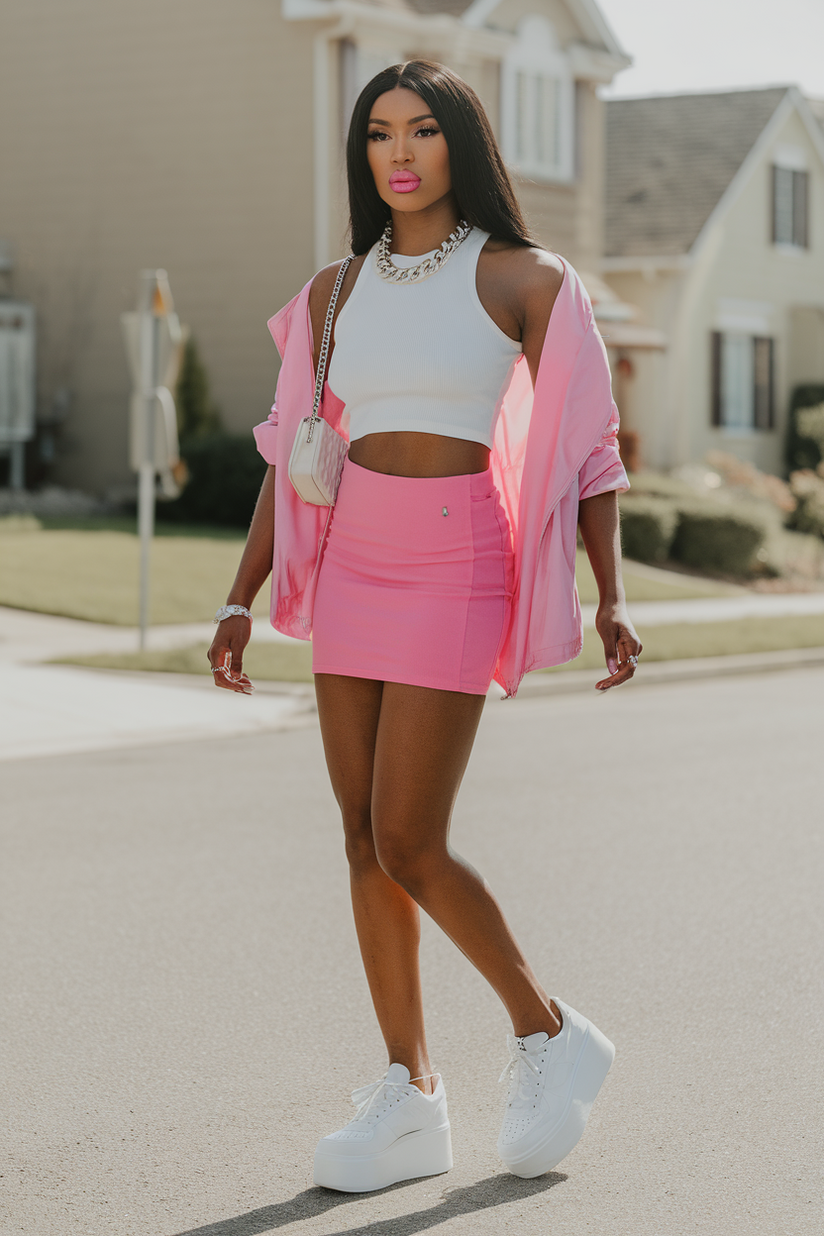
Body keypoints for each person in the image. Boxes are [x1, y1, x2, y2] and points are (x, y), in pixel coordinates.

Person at [208, 60, 642, 1193]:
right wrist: (238, 595)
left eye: (421, 132)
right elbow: (285, 453)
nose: (398, 155)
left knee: (409, 837)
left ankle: (548, 1032)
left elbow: (591, 451)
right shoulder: (333, 293)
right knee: (356, 835)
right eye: (377, 136)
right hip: (355, 555)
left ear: (459, 143)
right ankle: (410, 1092)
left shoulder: (523, 279)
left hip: (458, 557)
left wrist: (609, 593)